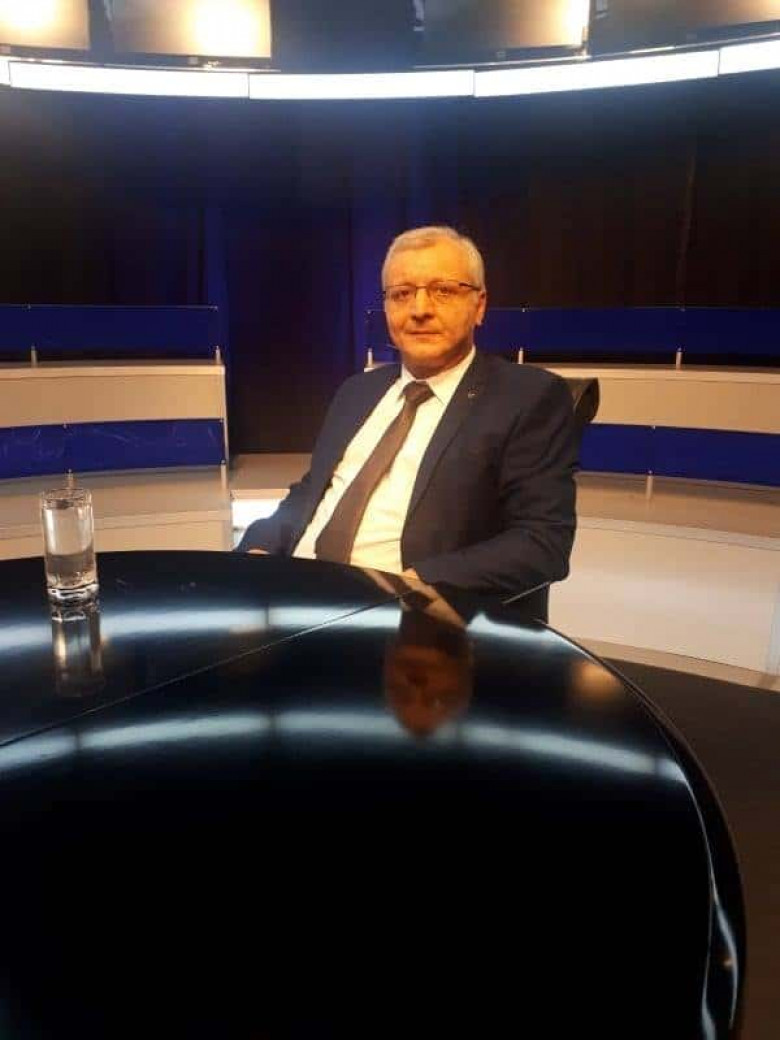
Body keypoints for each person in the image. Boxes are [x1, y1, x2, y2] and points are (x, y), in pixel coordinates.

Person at [238, 226, 577, 602]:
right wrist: (261, 545)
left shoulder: (528, 397)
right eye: (401, 294)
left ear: (479, 306)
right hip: (295, 594)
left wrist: (417, 583)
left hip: (404, 611)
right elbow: (312, 491)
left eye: (443, 290)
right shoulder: (356, 391)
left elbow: (543, 542)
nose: (420, 310)